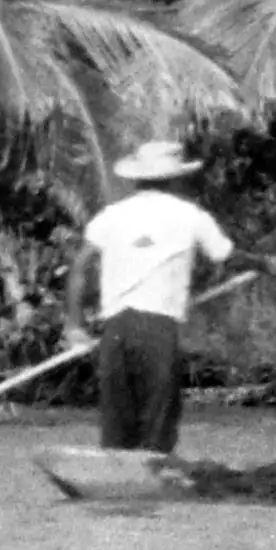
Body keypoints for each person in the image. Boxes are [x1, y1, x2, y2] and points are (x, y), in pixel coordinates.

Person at [77, 139, 233, 454]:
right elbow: (226, 256)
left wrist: (73, 325)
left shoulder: (111, 215)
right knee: (158, 417)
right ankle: (154, 468)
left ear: (137, 177)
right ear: (175, 178)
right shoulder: (191, 215)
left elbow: (78, 269)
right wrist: (267, 264)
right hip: (157, 329)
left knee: (117, 416)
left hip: (116, 329)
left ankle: (119, 469)